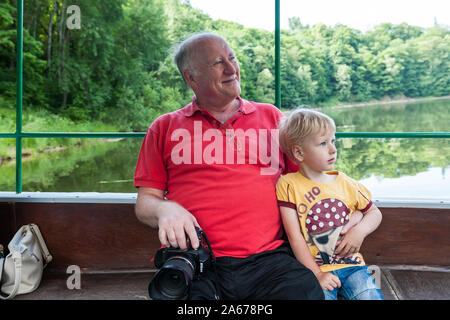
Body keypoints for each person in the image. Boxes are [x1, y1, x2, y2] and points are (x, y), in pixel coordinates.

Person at [134, 32, 325, 300]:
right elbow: (145, 205)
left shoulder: (272, 118)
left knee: (305, 292)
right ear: (191, 77)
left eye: (232, 58)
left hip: (271, 260)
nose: (232, 69)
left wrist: (356, 212)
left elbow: (306, 184)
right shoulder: (164, 127)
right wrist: (165, 207)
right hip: (199, 264)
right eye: (217, 63)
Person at [276, 108, 384, 300]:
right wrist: (317, 274)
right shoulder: (288, 185)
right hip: (314, 270)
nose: (333, 149)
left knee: (369, 296)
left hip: (352, 266)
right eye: (323, 143)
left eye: (333, 141)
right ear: (299, 152)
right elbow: (295, 237)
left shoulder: (346, 182)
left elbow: (374, 212)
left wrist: (359, 232)